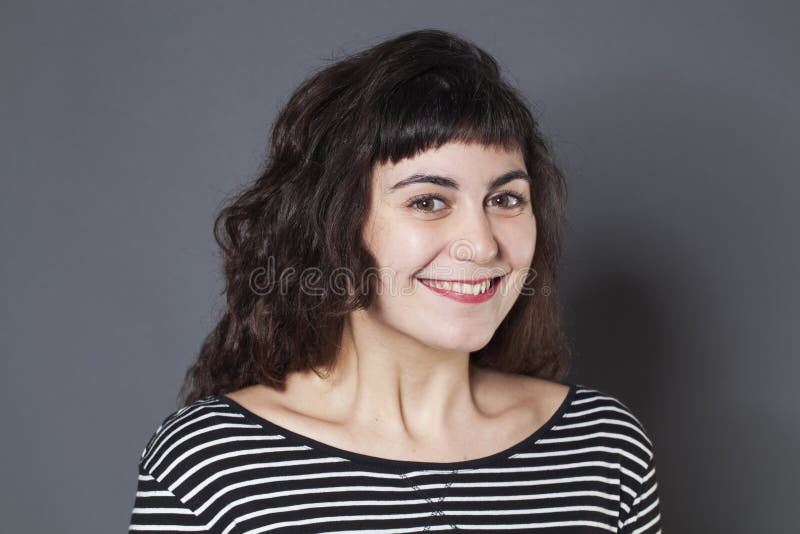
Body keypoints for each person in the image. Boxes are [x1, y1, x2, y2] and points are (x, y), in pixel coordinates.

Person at [128, 28, 662, 533]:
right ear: (334, 225)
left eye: (504, 199)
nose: (481, 244)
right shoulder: (210, 464)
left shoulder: (601, 449)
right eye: (428, 201)